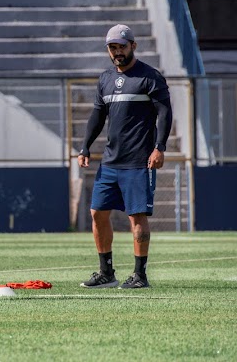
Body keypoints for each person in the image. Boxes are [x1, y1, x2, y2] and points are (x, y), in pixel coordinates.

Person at [78, 24, 173, 290]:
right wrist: (85, 147)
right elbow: (97, 117)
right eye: (112, 47)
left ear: (133, 45)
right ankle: (106, 273)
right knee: (97, 213)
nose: (117, 52)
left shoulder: (150, 77)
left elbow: (165, 113)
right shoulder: (106, 78)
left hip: (138, 160)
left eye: (121, 46)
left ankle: (140, 276)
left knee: (137, 217)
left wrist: (160, 147)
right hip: (110, 161)